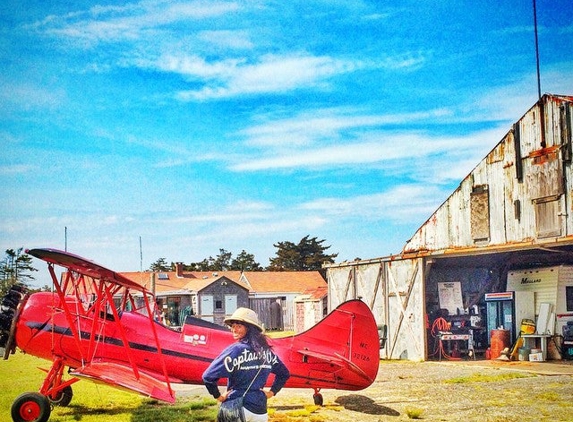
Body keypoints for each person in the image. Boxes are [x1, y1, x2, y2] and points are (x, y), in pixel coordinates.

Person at [202, 307, 290, 422]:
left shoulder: (235, 350)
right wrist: (272, 392)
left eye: (239, 326)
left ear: (249, 329)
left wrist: (219, 396)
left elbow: (208, 376)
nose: (234, 329)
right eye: (232, 326)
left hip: (236, 408)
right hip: (260, 411)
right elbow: (284, 373)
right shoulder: (267, 352)